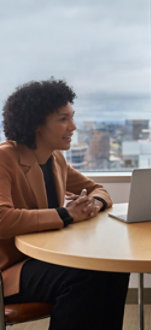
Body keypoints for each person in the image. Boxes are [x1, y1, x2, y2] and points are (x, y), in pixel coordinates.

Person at [0, 79, 129, 330]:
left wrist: (93, 204)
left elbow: (98, 190)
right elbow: (2, 218)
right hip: (12, 268)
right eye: (63, 119)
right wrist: (66, 215)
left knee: (114, 267)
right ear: (36, 123)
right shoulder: (5, 158)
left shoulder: (55, 159)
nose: (73, 126)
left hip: (45, 258)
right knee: (83, 276)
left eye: (72, 117)